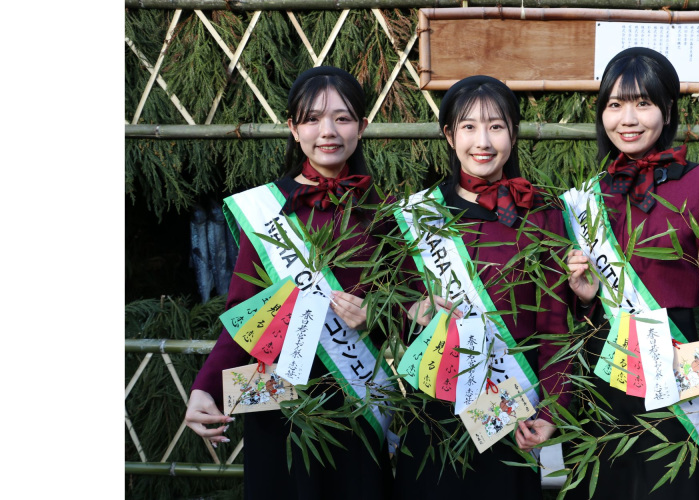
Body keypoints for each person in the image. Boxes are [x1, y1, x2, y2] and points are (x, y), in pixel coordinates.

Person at [563, 47, 699, 499]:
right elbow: (572, 311)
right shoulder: (589, 197)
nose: (628, 117)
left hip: (677, 372)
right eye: (615, 104)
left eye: (643, 102)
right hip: (605, 373)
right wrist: (582, 296)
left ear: (668, 110)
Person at [184, 66, 393, 500]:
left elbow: (411, 316)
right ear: (293, 128)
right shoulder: (264, 209)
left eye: (343, 117)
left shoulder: (386, 216)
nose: (328, 131)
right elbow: (247, 313)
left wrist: (377, 315)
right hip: (277, 398)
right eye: (313, 119)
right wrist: (206, 386)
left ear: (363, 127)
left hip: (356, 403)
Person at [391, 75, 571, 500]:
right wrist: (408, 312)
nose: (482, 140)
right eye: (468, 127)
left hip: (511, 409)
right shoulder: (418, 216)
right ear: (449, 135)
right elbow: (391, 317)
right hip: (436, 407)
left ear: (513, 132)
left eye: (496, 125)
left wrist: (552, 411)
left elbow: (556, 327)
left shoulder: (543, 212)